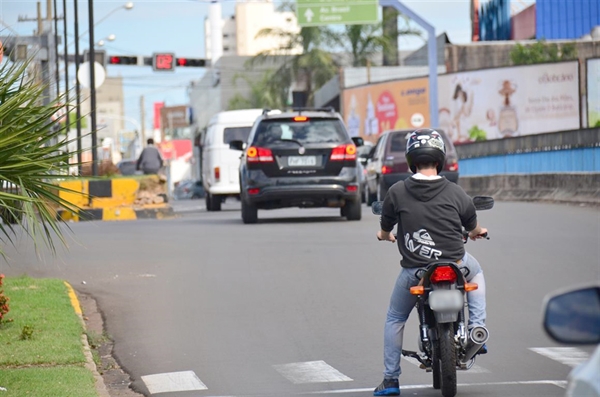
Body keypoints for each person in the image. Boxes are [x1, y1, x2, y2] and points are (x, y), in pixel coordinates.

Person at [373, 128, 489, 396]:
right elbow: (472, 226)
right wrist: (477, 232)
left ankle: (391, 380)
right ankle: (477, 329)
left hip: (416, 271)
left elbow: (385, 225)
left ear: (411, 160)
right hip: (456, 263)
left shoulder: (397, 191)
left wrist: (384, 236)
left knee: (395, 317)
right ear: (439, 160)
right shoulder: (455, 191)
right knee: (477, 273)